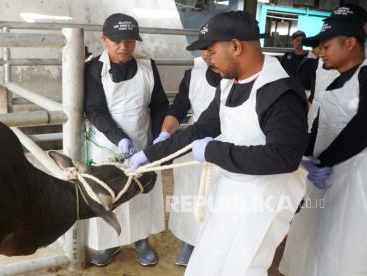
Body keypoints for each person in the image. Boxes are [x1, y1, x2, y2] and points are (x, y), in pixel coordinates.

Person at [130, 11, 308, 275]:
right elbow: (202, 128)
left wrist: (214, 150)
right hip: (232, 188)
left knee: (242, 267)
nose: (207, 59)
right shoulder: (229, 84)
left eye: (211, 51)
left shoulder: (279, 92)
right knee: (209, 261)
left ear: (236, 46)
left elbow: (284, 157)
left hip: (265, 199)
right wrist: (151, 155)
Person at [279, 5, 367, 276]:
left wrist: (320, 161)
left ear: (350, 43)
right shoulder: (334, 83)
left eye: (326, 46)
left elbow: (362, 128)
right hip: (324, 178)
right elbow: (318, 127)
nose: (320, 52)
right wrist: (301, 157)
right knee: (316, 237)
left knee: (344, 245)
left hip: (355, 183)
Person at [84, 13, 168, 266]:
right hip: (106, 143)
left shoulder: (148, 66)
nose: (124, 47)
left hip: (142, 138)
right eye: (117, 41)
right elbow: (95, 110)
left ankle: (141, 240)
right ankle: (109, 244)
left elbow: (160, 105)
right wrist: (120, 139)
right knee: (107, 192)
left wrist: (157, 140)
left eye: (130, 41)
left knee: (141, 191)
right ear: (104, 40)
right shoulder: (92, 68)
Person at [153, 40, 221, 266]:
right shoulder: (193, 75)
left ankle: (215, 245)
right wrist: (165, 133)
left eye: (213, 50)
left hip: (227, 141)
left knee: (222, 198)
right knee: (192, 195)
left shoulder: (236, 73)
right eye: (204, 50)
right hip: (194, 139)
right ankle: (191, 241)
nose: (209, 55)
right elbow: (178, 109)